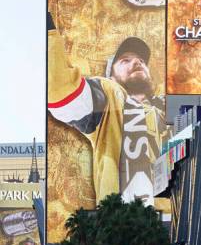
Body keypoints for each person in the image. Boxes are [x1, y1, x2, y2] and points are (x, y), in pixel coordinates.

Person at [48, 14, 168, 207]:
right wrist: (47, 29)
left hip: (182, 226)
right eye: (125, 60)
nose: (137, 62)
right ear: (110, 75)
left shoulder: (169, 108)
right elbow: (60, 92)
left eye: (141, 60)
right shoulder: (108, 96)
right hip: (123, 227)